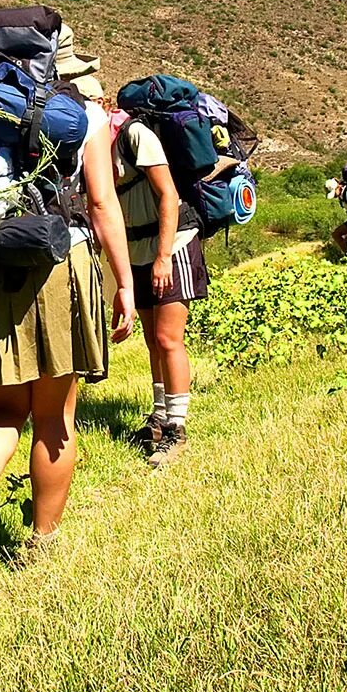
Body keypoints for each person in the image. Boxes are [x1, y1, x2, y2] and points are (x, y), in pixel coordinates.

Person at [0, 24, 134, 590]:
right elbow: (101, 204)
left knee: (1, 410)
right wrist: (125, 284)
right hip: (59, 265)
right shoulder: (86, 117)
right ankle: (41, 548)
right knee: (54, 417)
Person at [114, 101, 207, 467]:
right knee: (152, 340)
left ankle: (177, 430)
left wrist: (164, 257)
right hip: (138, 249)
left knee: (169, 339)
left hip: (173, 245)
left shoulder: (136, 134)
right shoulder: (96, 145)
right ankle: (158, 419)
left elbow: (168, 195)